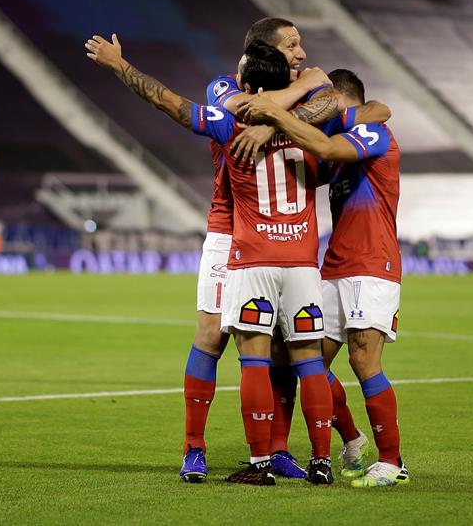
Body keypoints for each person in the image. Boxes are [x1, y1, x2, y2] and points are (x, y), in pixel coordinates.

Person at [87, 34, 336, 486]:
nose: (302, 54)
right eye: (292, 45)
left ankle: (274, 452)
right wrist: (289, 105)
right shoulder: (228, 88)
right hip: (233, 233)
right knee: (212, 335)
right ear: (270, 51)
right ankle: (194, 450)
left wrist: (274, 119)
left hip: (260, 244)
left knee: (277, 351)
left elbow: (335, 96)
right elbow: (321, 107)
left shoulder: (291, 89)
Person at [235, 69, 408, 487]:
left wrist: (274, 120)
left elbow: (339, 135)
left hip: (373, 264)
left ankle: (392, 462)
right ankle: (351, 437)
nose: (322, 109)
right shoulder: (338, 132)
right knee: (309, 362)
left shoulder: (373, 131)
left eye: (330, 103)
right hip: (332, 265)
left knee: (363, 359)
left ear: (344, 103)